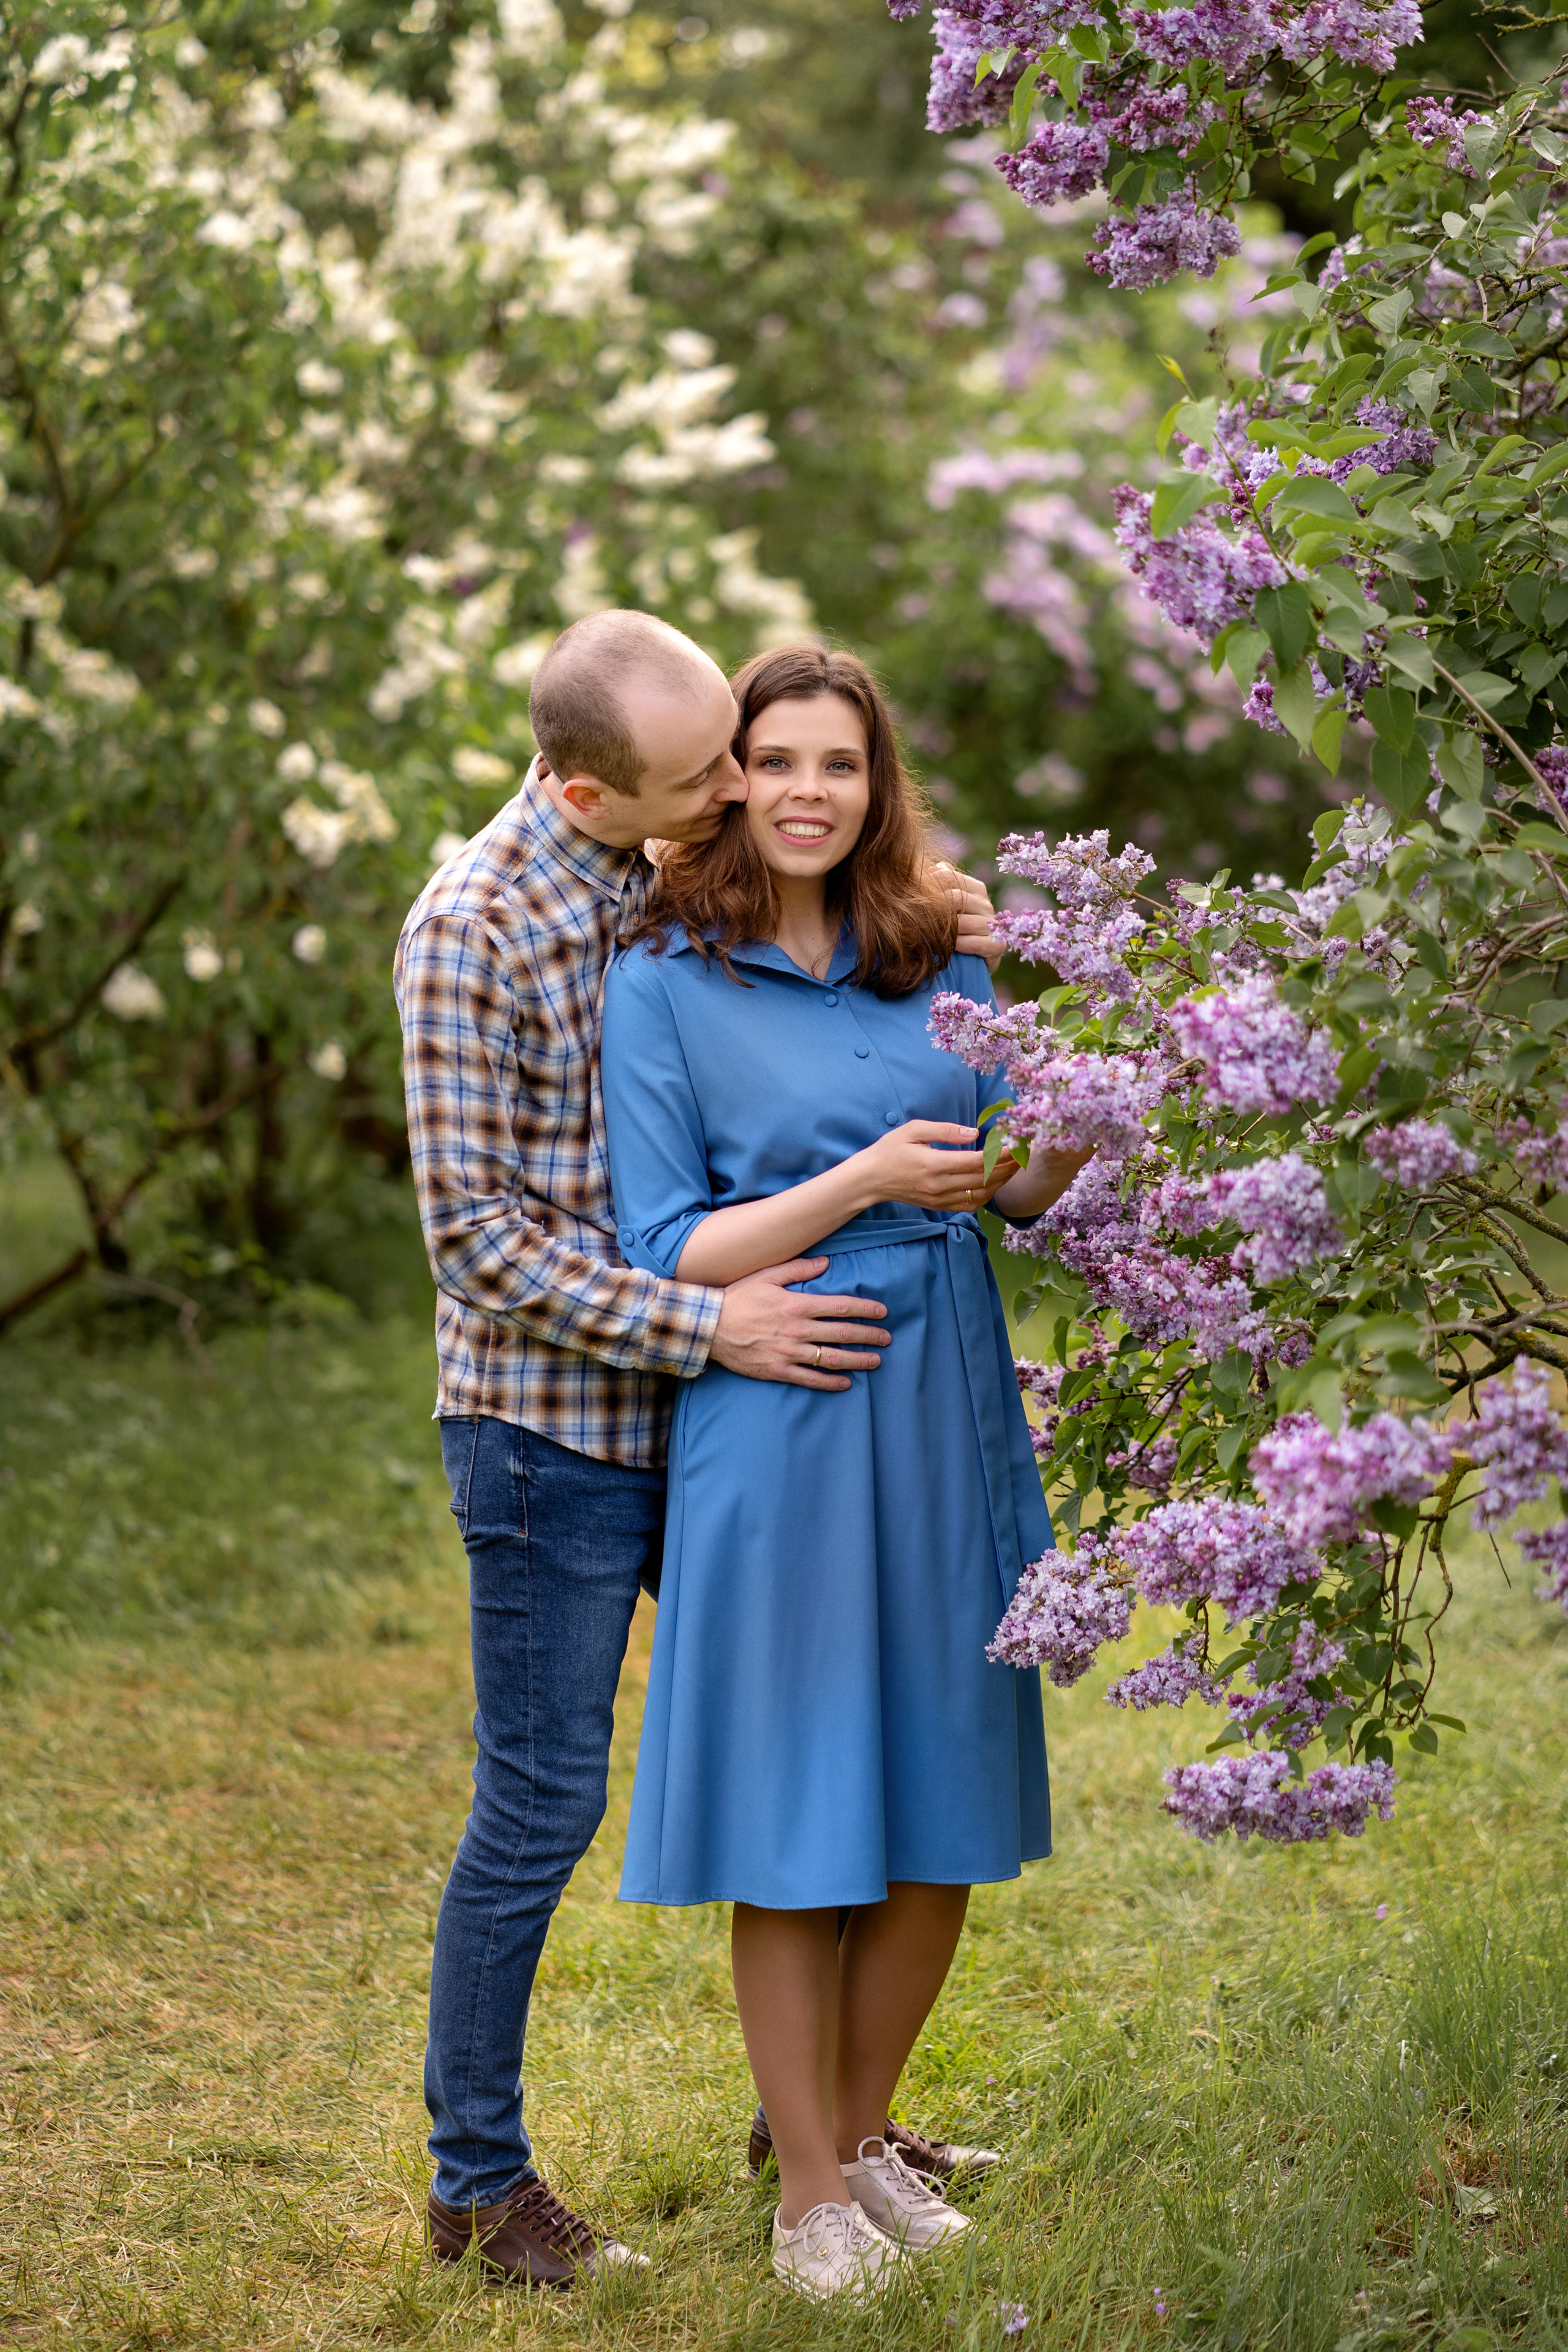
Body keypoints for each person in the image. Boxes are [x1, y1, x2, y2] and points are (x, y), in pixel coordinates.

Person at [393, 609, 1001, 2287]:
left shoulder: (654, 874)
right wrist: (709, 1324)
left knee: (825, 1741)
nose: (743, 788)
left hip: (734, 1409)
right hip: (560, 1428)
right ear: (591, 790)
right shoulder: (474, 929)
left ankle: (821, 2122)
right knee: (541, 1802)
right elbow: (484, 1247)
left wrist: (940, 919)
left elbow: (809, 965)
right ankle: (478, 2177)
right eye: (711, 772)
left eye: (751, 754)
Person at [599, 644, 1091, 2303]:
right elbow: (670, 1241)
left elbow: (1022, 1194)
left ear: (881, 787)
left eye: (844, 763)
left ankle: (866, 2135)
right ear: (730, 776)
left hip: (944, 1409)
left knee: (940, 1803)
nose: (811, 789)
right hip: (787, 1407)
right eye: (778, 758)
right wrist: (865, 1175)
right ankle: (807, 2192)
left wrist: (1092, 1071)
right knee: (800, 1809)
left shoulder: (928, 955)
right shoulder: (667, 976)